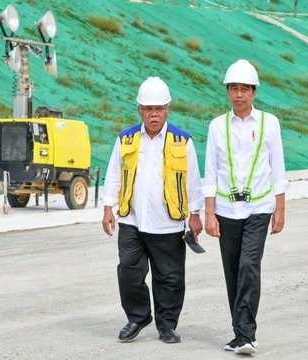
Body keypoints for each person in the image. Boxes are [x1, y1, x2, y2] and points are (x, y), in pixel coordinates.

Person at [102, 76, 203, 344]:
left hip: (168, 223)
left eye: (159, 108)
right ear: (140, 110)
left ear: (168, 108)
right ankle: (137, 317)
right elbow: (114, 174)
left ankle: (167, 325)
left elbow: (193, 179)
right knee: (128, 270)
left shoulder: (182, 140)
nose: (154, 114)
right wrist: (107, 207)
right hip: (132, 220)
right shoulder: (126, 139)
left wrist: (196, 214)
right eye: (148, 108)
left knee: (169, 278)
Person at [203, 60, 289, 354]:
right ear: (228, 92)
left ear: (254, 93)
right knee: (232, 271)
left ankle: (248, 335)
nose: (239, 94)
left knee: (249, 266)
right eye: (234, 89)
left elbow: (278, 168)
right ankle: (239, 334)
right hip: (226, 211)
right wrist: (209, 212)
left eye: (245, 89)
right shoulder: (217, 126)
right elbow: (210, 172)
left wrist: (280, 209)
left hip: (259, 209)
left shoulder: (269, 123)